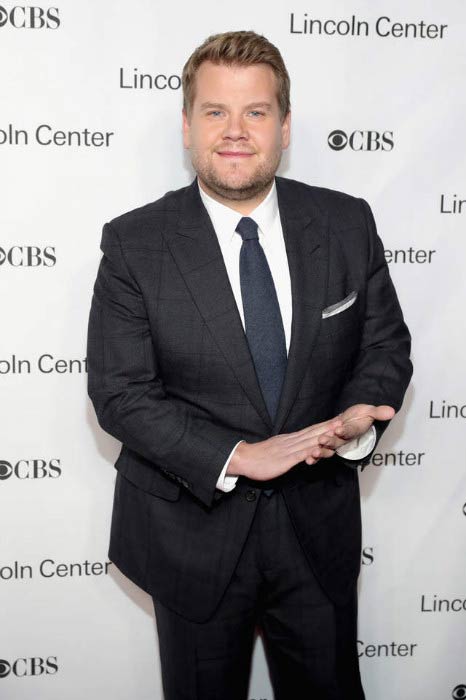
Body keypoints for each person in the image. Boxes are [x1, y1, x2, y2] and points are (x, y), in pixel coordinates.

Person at [87, 30, 412, 700]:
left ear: (284, 126)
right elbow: (120, 392)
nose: (235, 132)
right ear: (187, 126)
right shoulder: (133, 244)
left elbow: (384, 347)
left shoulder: (347, 224)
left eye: (256, 112)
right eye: (215, 112)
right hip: (190, 537)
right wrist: (238, 454)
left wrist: (358, 416)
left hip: (315, 534)